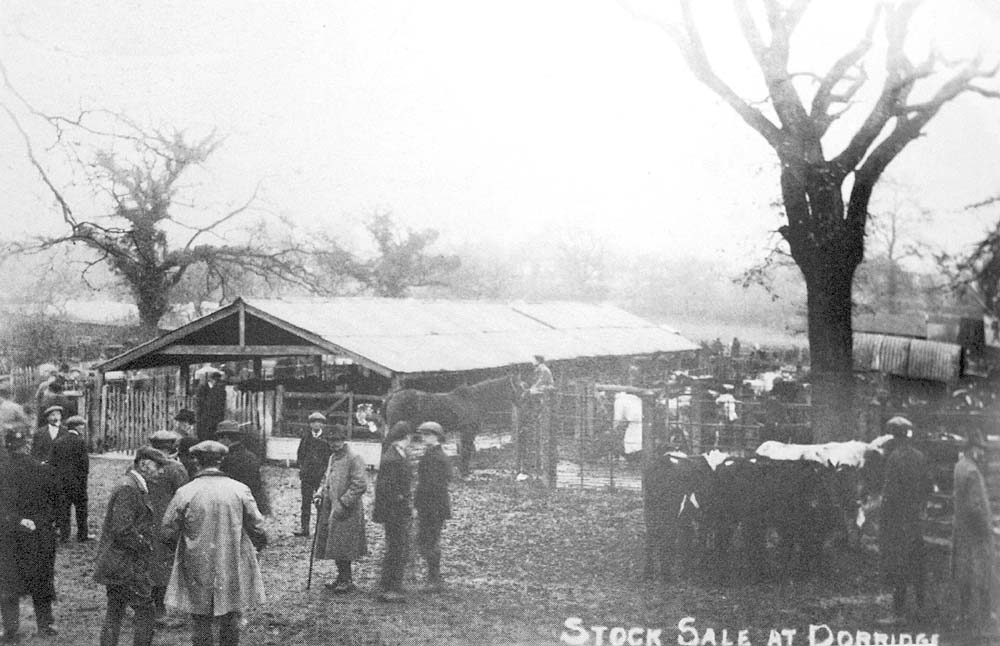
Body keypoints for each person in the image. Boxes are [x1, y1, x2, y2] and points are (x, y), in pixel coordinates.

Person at [162, 440, 267, 646]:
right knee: (230, 613)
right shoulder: (239, 489)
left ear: (196, 462)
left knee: (201, 616)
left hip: (197, 560)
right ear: (220, 461)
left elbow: (167, 530)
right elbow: (257, 524)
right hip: (231, 560)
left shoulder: (186, 492)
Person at [93, 447, 169, 646]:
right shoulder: (129, 488)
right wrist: (146, 545)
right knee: (146, 611)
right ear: (144, 465)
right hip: (126, 564)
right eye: (158, 467)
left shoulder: (133, 485)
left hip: (120, 562)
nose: (161, 472)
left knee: (115, 610)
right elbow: (122, 530)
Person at [0, 423, 59, 640]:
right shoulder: (42, 468)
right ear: (26, 444)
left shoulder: (2, 470)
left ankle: (10, 630)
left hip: (9, 534)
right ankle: (45, 625)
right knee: (41, 579)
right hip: (39, 534)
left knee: (8, 583)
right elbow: (56, 500)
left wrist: (15, 519)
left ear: (7, 445)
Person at [879, 416, 931, 622]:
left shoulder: (894, 458)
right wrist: (920, 507)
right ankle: (920, 607)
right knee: (918, 563)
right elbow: (928, 485)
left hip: (898, 520)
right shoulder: (920, 456)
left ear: (894, 436)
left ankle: (898, 613)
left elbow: (890, 493)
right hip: (915, 518)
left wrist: (885, 519)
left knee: (899, 563)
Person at [313, 424, 368, 594]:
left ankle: (347, 579)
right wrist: (320, 494)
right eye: (331, 441)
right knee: (335, 544)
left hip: (347, 510)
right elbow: (327, 480)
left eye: (337, 441)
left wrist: (344, 502)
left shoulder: (354, 458)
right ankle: (341, 577)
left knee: (344, 545)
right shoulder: (332, 458)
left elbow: (360, 484)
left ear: (343, 440)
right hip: (331, 507)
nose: (334, 444)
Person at [951, 429, 995, 632]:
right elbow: (975, 506)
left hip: (962, 529)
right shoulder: (973, 472)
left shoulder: (960, 466)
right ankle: (987, 616)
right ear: (971, 449)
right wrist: (986, 528)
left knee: (964, 572)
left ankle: (963, 613)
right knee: (984, 572)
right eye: (979, 449)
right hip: (977, 532)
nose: (982, 453)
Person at [146, 430, 190, 625]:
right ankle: (160, 609)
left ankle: (150, 606)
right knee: (164, 564)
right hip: (167, 522)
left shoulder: (140, 466)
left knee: (148, 561)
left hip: (145, 521)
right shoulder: (176, 468)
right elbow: (185, 496)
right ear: (172, 446)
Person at [372, 422, 413, 602]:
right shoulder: (392, 458)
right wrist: (403, 499)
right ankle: (390, 587)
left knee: (397, 547)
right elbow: (385, 487)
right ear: (405, 438)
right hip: (394, 511)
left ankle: (391, 583)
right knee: (396, 547)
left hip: (397, 509)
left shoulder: (398, 455)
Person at [414, 421, 451, 592]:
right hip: (429, 504)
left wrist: (423, 504)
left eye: (427, 434)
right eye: (422, 434)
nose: (423, 438)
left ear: (436, 437)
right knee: (427, 539)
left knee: (431, 540)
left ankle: (434, 578)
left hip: (433, 505)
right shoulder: (432, 454)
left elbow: (434, 485)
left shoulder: (437, 457)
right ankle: (433, 576)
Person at [50, 415, 92, 542]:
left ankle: (64, 535)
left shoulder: (58, 442)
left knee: (63, 509)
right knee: (81, 509)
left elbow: (52, 463)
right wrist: (83, 481)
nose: (83, 428)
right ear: (77, 427)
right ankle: (82, 535)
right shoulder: (80, 442)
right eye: (82, 426)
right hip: (78, 483)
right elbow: (85, 465)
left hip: (62, 483)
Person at [216, 421, 269, 515]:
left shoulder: (228, 459)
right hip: (251, 504)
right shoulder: (251, 456)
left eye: (219, 438)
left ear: (225, 438)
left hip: (234, 506)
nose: (218, 442)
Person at [295, 412, 333, 538]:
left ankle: (321, 529)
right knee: (305, 502)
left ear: (323, 424)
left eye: (319, 422)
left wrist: (325, 472)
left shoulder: (327, 439)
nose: (317, 424)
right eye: (314, 422)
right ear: (310, 424)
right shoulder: (306, 438)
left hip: (320, 476)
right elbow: (300, 454)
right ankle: (304, 528)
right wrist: (303, 467)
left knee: (321, 502)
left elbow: (330, 457)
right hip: (307, 476)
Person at [195, 369, 227, 442]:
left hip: (215, 416)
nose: (217, 382)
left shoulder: (219, 389)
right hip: (205, 415)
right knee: (204, 434)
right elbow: (199, 402)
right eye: (216, 380)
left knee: (212, 434)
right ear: (212, 379)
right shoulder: (202, 388)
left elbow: (221, 404)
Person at [173, 409, 199, 479]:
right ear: (179, 423)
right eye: (183, 421)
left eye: (190, 423)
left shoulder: (191, 438)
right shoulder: (173, 437)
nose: (187, 425)